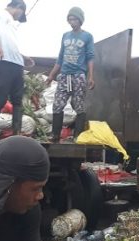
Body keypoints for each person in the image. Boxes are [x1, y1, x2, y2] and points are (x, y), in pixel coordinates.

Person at [0, 0, 34, 139]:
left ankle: (16, 132)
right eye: (21, 14)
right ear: (19, 8)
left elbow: (12, 44)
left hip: (17, 64)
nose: (19, 17)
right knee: (0, 98)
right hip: (4, 61)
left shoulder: (13, 24)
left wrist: (23, 57)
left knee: (17, 100)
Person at [45, 7, 95, 143]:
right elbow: (60, 58)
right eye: (70, 19)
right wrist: (51, 76)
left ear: (80, 20)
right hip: (64, 76)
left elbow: (90, 57)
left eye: (74, 19)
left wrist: (90, 76)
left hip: (78, 75)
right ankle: (55, 135)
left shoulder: (87, 36)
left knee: (78, 104)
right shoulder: (65, 36)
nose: (72, 22)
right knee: (57, 104)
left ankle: (78, 135)